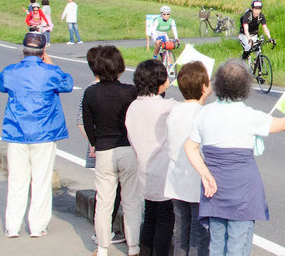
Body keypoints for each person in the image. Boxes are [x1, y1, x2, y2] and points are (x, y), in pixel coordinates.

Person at [184, 59, 285, 256]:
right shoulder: (249, 115)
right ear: (245, 86)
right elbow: (284, 124)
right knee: (237, 248)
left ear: (217, 84)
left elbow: (190, 147)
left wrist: (204, 174)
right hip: (243, 194)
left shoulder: (205, 113)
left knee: (216, 247)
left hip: (214, 193)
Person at [0, 32, 73, 238]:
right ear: (43, 51)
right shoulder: (51, 72)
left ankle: (12, 226)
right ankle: (37, 226)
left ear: (23, 50)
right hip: (44, 133)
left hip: (17, 132)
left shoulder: (11, 71)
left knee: (17, 180)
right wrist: (51, 63)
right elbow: (67, 84)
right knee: (41, 180)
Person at [83, 46, 142, 256]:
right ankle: (133, 246)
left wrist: (95, 142)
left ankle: (102, 247)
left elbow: (88, 123)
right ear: (120, 67)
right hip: (127, 148)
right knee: (132, 200)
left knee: (104, 202)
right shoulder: (131, 91)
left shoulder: (91, 92)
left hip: (104, 151)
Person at [125, 59, 179, 256]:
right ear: (160, 81)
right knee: (165, 218)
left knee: (149, 217)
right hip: (164, 173)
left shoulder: (133, 107)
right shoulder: (169, 107)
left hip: (143, 170)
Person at [76, 47, 126, 246]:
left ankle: (102, 238)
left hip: (100, 146)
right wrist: (93, 142)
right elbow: (81, 121)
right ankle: (105, 235)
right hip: (105, 147)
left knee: (106, 194)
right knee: (110, 196)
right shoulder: (94, 91)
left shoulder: (91, 90)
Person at [164, 61, 213, 256]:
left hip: (176, 181)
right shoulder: (203, 114)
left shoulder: (174, 110)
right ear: (203, 87)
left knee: (181, 232)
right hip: (198, 183)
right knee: (198, 234)